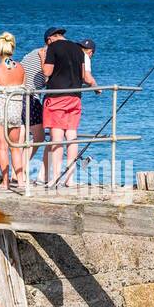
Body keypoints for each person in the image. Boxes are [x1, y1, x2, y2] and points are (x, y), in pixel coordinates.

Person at [41, 27, 96, 188]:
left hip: (56, 96)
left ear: (50, 39)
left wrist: (43, 57)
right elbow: (86, 77)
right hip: (75, 97)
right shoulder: (79, 50)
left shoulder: (53, 47)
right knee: (72, 136)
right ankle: (70, 179)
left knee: (56, 138)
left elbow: (47, 71)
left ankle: (56, 177)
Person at [0, 31, 28, 187]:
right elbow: (23, 86)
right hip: (16, 110)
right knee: (15, 147)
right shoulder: (21, 68)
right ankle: (21, 180)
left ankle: (5, 182)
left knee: (2, 148)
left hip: (0, 110)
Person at [16, 42, 49, 185]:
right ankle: (21, 170)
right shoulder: (46, 55)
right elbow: (48, 76)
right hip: (29, 96)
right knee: (39, 136)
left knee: (21, 138)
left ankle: (16, 173)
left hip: (18, 95)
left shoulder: (32, 53)